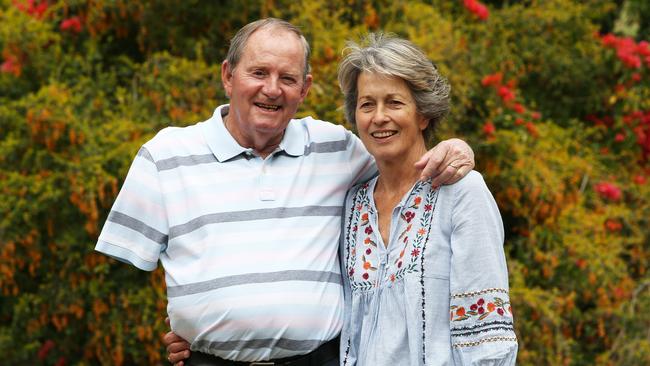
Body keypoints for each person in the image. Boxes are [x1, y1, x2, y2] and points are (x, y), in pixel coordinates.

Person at [97, 18, 473, 365]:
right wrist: (190, 322)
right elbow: (114, 285)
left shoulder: (339, 149)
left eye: (287, 78)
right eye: (258, 72)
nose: (272, 89)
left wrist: (457, 147)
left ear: (305, 88)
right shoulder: (164, 158)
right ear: (228, 76)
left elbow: (403, 162)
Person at [335, 34, 518, 364]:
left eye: (394, 102)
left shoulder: (462, 193)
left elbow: (485, 334)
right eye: (367, 104)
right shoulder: (353, 203)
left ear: (423, 114)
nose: (378, 117)